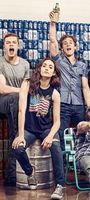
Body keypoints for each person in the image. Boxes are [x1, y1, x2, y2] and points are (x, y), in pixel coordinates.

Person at [12, 58, 64, 199]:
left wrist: (50, 136)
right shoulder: (27, 84)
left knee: (56, 147)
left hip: (46, 129)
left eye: (50, 67)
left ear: (54, 73)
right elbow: (21, 110)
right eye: (44, 66)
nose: (47, 68)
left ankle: (60, 185)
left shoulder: (55, 93)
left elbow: (57, 121)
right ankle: (30, 173)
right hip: (29, 129)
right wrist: (21, 135)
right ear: (39, 69)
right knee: (17, 148)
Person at [49, 8, 90, 150]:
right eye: (65, 43)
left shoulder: (82, 65)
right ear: (62, 48)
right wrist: (53, 23)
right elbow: (53, 41)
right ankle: (63, 162)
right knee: (60, 133)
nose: (68, 44)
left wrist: (89, 106)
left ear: (75, 46)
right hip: (63, 104)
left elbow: (85, 87)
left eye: (70, 43)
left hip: (79, 104)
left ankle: (80, 159)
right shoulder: (59, 60)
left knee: (82, 133)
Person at [0, 33, 30, 186]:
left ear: (18, 46)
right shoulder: (0, 62)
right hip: (2, 102)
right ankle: (12, 176)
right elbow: (2, 88)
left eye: (14, 42)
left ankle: (14, 175)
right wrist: (22, 91)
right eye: (8, 43)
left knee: (30, 100)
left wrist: (24, 93)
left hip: (18, 104)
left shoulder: (25, 64)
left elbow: (27, 88)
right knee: (14, 97)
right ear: (4, 46)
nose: (11, 45)